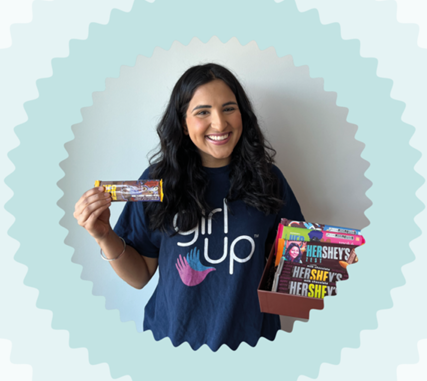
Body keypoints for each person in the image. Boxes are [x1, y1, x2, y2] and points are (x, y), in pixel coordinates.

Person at [74, 63, 304, 351]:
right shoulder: (156, 183)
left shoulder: (269, 180)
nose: (219, 124)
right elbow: (140, 276)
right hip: (172, 350)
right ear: (183, 123)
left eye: (229, 108)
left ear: (242, 115)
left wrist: (334, 265)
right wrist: (103, 234)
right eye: (203, 112)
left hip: (253, 350)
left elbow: (297, 270)